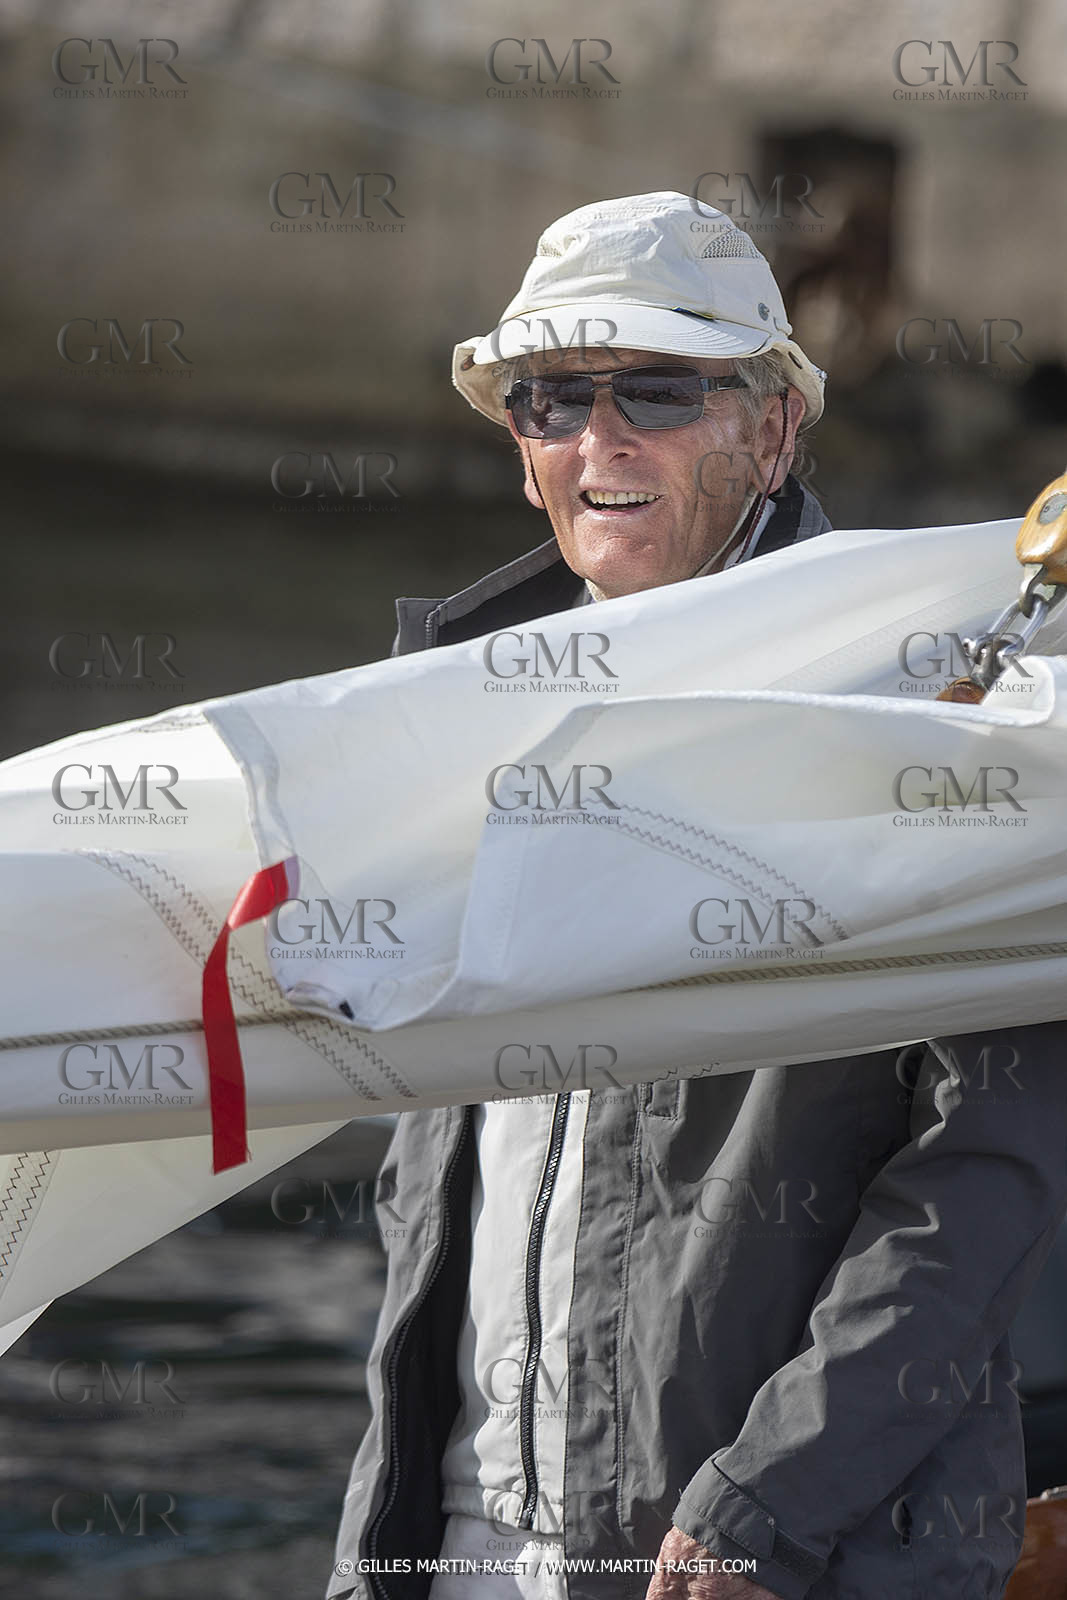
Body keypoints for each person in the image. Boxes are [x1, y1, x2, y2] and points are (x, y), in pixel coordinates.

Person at [328, 192, 1067, 1600]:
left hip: (776, 1555)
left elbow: (989, 1173)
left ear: (775, 427)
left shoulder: (945, 715)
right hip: (459, 1542)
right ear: (519, 447)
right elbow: (431, 1193)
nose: (598, 439)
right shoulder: (437, 726)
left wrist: (762, 1505)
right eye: (552, 398)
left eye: (657, 390)